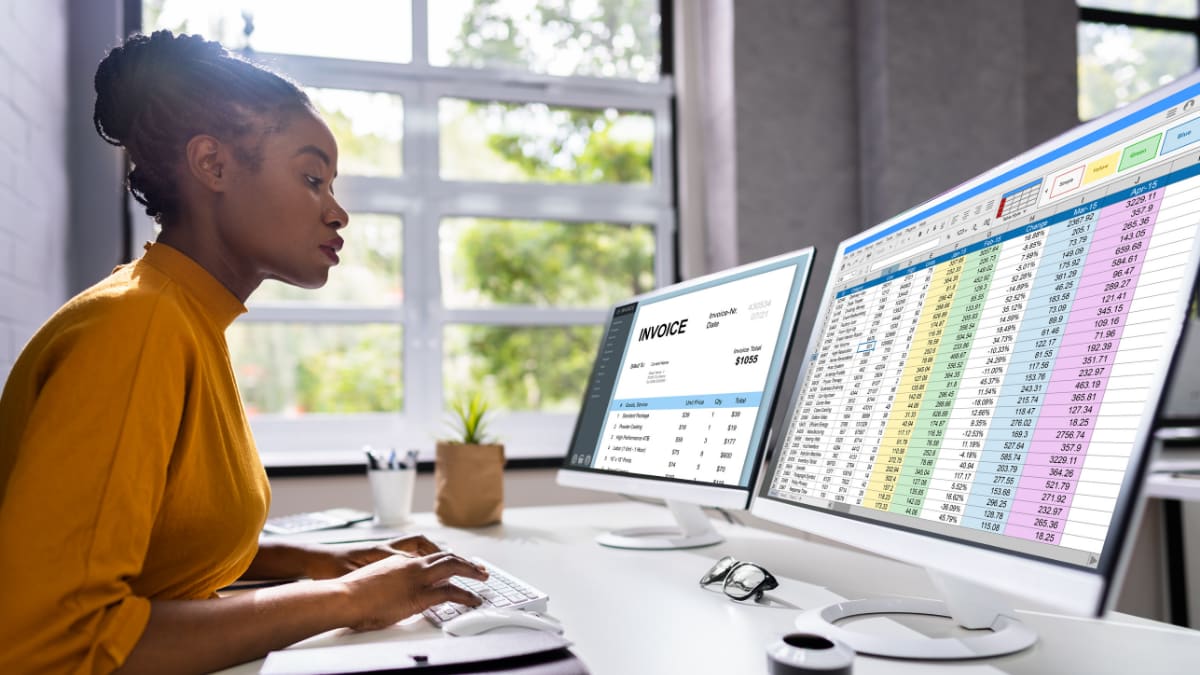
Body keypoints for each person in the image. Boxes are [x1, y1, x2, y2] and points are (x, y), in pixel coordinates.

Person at [0, 30, 487, 674]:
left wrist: (315, 563)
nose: (338, 212)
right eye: (312, 178)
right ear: (214, 165)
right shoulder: (136, 327)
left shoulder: (184, 318)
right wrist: (346, 600)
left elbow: (161, 544)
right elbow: (53, 640)